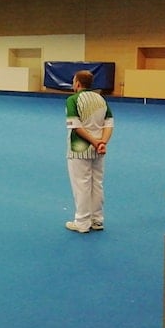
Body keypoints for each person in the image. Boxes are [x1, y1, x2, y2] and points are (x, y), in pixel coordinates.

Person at [64, 70, 113, 233]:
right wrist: (102, 143)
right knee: (96, 184)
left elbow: (76, 126)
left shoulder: (72, 100)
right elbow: (109, 124)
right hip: (99, 150)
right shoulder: (101, 99)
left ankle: (82, 222)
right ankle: (97, 220)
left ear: (77, 83)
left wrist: (93, 141)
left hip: (79, 149)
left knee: (82, 184)